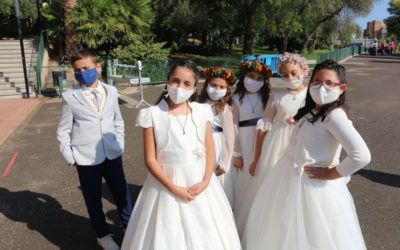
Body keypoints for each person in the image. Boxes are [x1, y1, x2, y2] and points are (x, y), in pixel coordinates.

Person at [242, 59, 371, 250]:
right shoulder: (312, 111)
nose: (322, 87)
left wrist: (332, 173)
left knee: (312, 235)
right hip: (289, 177)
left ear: (341, 88)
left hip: (312, 186)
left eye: (329, 83)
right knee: (287, 230)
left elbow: (361, 155)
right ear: (310, 84)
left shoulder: (334, 115)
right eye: (317, 82)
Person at [121, 59, 241, 250]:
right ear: (167, 82)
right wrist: (173, 187)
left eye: (186, 83)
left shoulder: (202, 111)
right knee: (167, 231)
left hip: (200, 182)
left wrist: (206, 181)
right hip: (166, 183)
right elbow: (150, 159)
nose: (179, 87)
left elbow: (210, 150)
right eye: (175, 81)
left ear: (194, 89)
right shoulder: (152, 114)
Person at [56, 48, 132, 250]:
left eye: (86, 67)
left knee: (122, 194)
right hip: (85, 157)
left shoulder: (112, 91)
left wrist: (120, 143)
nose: (82, 72)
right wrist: (70, 156)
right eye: (77, 70)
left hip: (112, 152)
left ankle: (129, 227)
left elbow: (118, 120)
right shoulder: (70, 96)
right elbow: (63, 130)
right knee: (93, 200)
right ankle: (103, 236)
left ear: (98, 67)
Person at [247, 53, 309, 193]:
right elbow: (263, 129)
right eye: (285, 75)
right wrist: (256, 160)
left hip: (302, 141)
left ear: (304, 71)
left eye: (294, 73)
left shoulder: (311, 95)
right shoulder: (276, 96)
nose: (290, 78)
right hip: (276, 143)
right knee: (273, 184)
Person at [231, 60, 273, 237]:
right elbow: (233, 127)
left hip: (264, 139)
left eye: (259, 78)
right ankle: (243, 217)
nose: (255, 80)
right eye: (251, 76)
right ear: (244, 77)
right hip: (245, 138)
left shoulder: (267, 97)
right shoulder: (234, 99)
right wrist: (236, 152)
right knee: (246, 177)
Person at [198, 66, 237, 206]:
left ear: (227, 90)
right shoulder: (197, 104)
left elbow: (230, 137)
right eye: (214, 85)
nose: (217, 89)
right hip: (199, 143)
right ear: (207, 85)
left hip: (216, 145)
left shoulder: (225, 108)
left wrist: (225, 161)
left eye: (222, 87)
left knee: (216, 178)